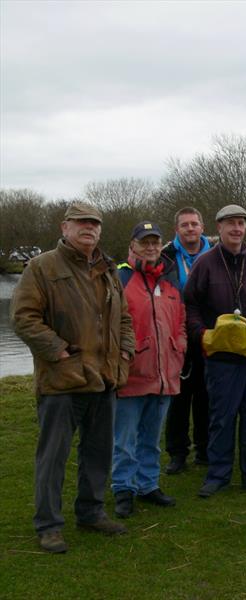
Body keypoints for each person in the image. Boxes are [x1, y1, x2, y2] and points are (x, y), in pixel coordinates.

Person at [12, 201, 134, 553]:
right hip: (62, 383)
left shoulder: (109, 269)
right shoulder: (41, 266)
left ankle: (91, 512)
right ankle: (49, 525)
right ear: (65, 227)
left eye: (95, 224)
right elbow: (24, 318)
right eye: (81, 222)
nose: (89, 228)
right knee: (53, 456)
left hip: (104, 378)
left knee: (98, 453)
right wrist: (59, 351)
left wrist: (125, 352)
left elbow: (124, 318)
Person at [184, 204, 246, 497]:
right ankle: (218, 475)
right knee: (222, 416)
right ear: (219, 227)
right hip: (222, 357)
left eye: (240, 223)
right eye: (230, 224)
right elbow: (190, 305)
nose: (236, 229)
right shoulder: (205, 263)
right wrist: (201, 335)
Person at [112, 222, 186, 518]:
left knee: (152, 439)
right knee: (125, 439)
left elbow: (180, 319)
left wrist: (179, 345)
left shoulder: (169, 281)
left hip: (165, 374)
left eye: (156, 242)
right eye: (145, 242)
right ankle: (123, 488)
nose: (152, 247)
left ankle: (148, 485)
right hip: (132, 374)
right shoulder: (120, 278)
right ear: (133, 245)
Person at [162, 207, 212, 474]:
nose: (190, 229)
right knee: (178, 399)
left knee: (206, 396)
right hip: (176, 336)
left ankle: (204, 450)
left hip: (209, 334)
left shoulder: (217, 255)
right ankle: (177, 453)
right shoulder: (166, 256)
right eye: (185, 225)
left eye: (194, 224)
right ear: (177, 230)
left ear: (202, 227)